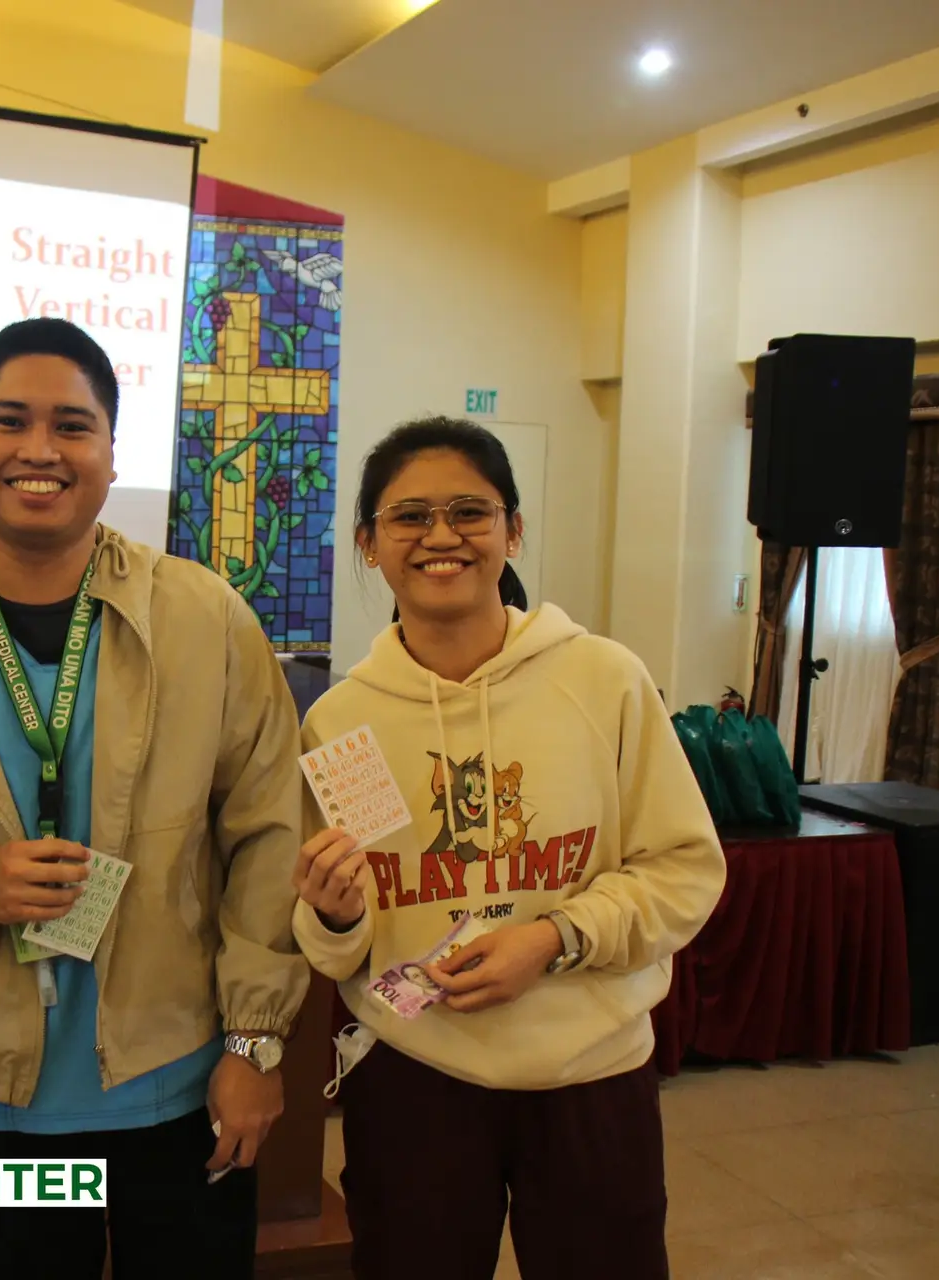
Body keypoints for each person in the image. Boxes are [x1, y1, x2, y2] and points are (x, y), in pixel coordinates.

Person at [0, 318, 308, 1279]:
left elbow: (269, 831)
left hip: (180, 1078)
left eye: (73, 425)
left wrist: (255, 1042)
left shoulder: (206, 619)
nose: (40, 449)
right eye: (9, 421)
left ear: (111, 453)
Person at [292, 417, 724, 1280]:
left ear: (512, 530)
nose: (441, 536)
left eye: (469, 512)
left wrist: (554, 939)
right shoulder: (342, 721)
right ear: (369, 543)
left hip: (591, 1072)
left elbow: (684, 871)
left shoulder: (604, 680)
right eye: (409, 516)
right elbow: (342, 943)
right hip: (414, 1075)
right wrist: (335, 915)